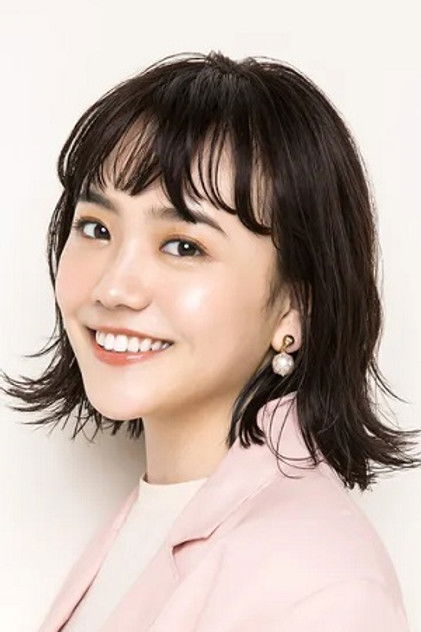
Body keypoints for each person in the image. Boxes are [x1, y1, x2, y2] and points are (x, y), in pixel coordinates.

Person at [1, 50, 420, 631]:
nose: (114, 287)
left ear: (295, 307)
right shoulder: (150, 518)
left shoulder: (321, 587)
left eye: (184, 246)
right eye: (96, 228)